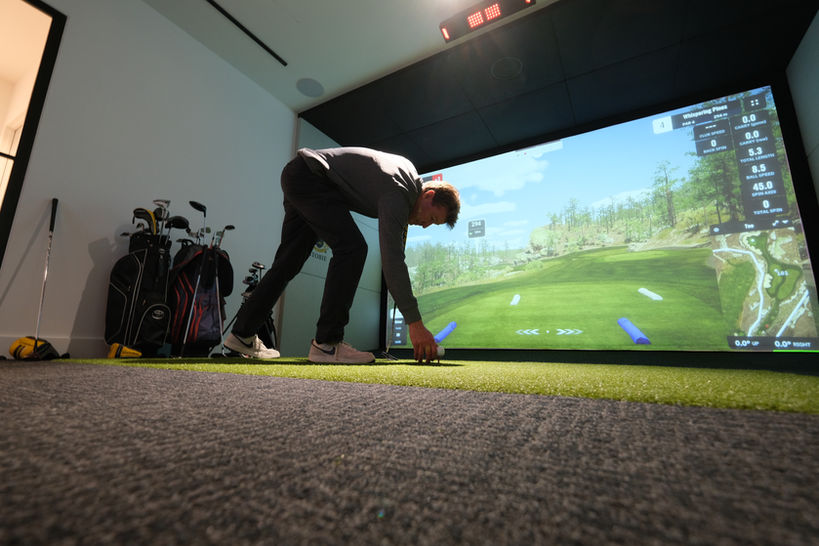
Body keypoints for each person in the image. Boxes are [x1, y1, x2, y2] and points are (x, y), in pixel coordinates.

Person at [224, 146, 460, 364]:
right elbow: (393, 260)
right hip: (311, 179)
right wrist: (415, 323)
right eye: (431, 218)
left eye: (433, 225)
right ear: (428, 195)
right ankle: (327, 343)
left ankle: (242, 334)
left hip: (299, 175)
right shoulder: (400, 192)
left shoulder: (406, 178)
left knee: (288, 262)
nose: (425, 225)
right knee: (353, 248)